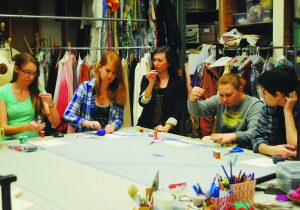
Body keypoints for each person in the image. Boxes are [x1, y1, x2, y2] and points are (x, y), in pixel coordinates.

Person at [188, 73, 263, 148]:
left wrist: (233, 136)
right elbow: (197, 112)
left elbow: (254, 132)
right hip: (221, 147)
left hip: (243, 150)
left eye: (229, 95)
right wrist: (192, 100)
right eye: (221, 95)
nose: (224, 99)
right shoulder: (218, 100)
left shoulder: (255, 105)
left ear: (240, 90)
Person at [0, 52, 60, 140]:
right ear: (17, 69)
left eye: (34, 73)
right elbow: (3, 128)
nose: (31, 77)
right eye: (28, 72)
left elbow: (55, 123)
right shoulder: (3, 91)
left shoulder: (37, 90)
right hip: (10, 143)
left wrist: (51, 104)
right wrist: (26, 127)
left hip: (33, 142)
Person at [63, 50, 126, 134]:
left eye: (114, 73)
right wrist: (87, 123)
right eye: (108, 70)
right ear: (100, 67)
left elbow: (119, 119)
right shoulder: (85, 87)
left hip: (108, 141)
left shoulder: (118, 91)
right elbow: (67, 114)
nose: (110, 75)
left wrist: (113, 125)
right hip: (85, 140)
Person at [137, 46, 185, 134]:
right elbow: (142, 103)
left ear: (169, 62)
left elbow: (178, 109)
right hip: (146, 128)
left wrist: (167, 127)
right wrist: (151, 83)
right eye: (154, 60)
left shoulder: (178, 82)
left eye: (160, 60)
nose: (156, 63)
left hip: (169, 129)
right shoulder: (147, 78)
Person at [252, 67, 298, 158]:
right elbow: (257, 138)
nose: (261, 95)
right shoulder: (270, 107)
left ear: (278, 95)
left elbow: (296, 146)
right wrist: (272, 150)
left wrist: (287, 112)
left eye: (264, 93)